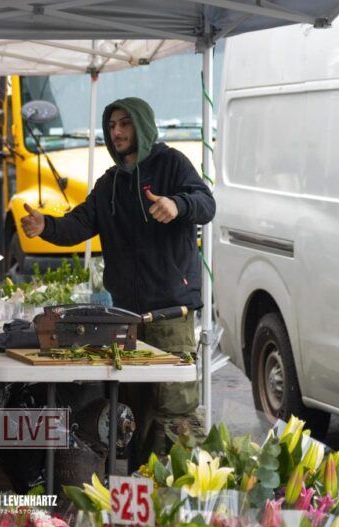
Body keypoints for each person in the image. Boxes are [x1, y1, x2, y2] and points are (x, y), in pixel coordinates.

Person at [21, 97, 216, 466]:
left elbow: (206, 203)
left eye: (125, 123)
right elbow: (78, 224)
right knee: (134, 415)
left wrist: (177, 204)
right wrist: (46, 225)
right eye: (112, 126)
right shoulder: (109, 183)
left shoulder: (172, 163)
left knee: (176, 410)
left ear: (141, 125)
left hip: (171, 316)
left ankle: (186, 489)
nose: (117, 132)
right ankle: (140, 487)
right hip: (126, 321)